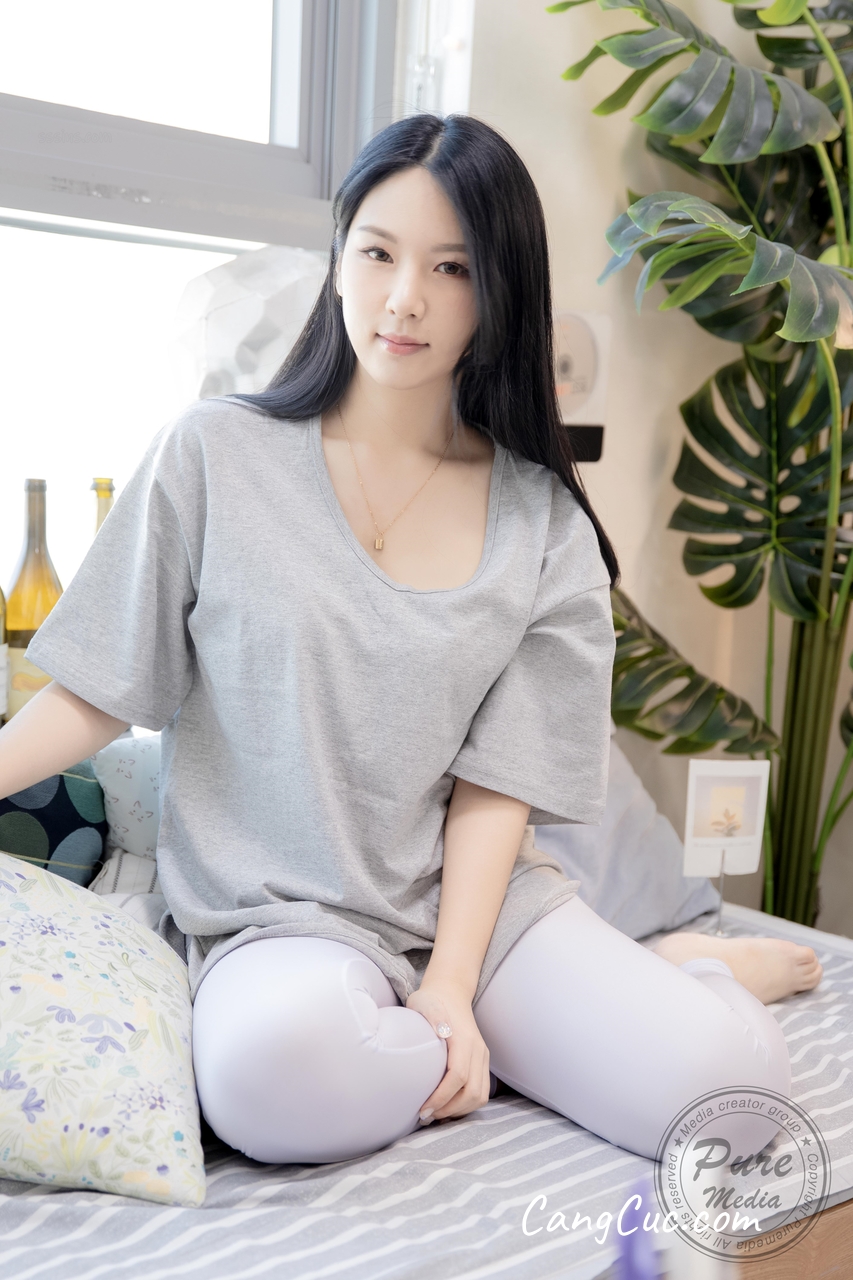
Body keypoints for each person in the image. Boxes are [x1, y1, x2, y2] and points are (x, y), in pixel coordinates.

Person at [0, 114, 820, 1168]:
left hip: (484, 918)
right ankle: (532, 1033)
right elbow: (100, 689)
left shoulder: (544, 525)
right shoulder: (212, 455)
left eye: (451, 268)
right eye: (378, 253)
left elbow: (498, 783)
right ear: (339, 254)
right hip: (280, 920)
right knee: (269, 1082)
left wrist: (448, 987)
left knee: (736, 1104)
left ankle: (679, 971)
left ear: (498, 293)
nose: (403, 299)